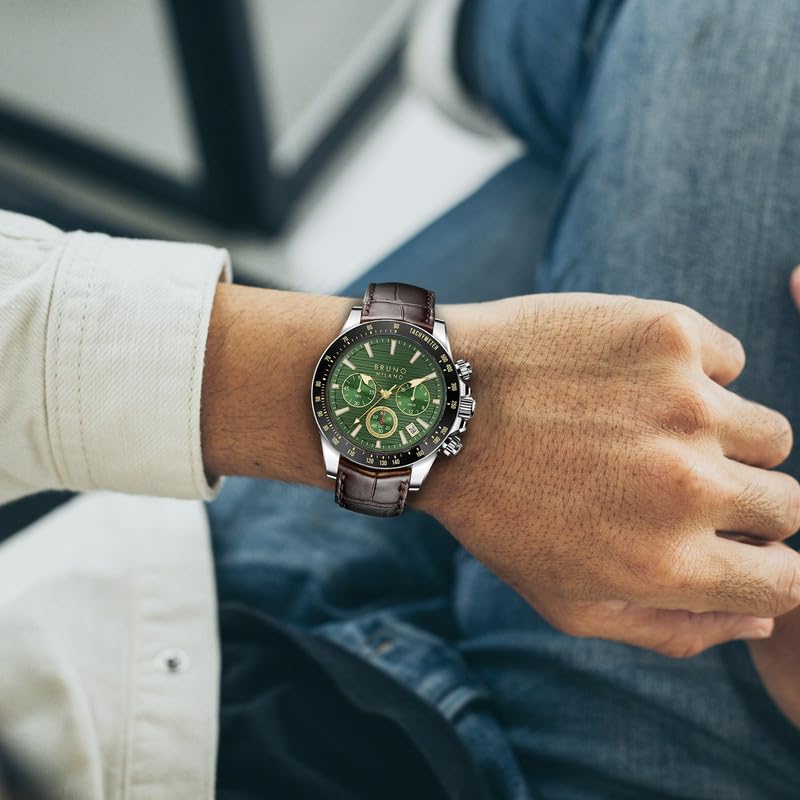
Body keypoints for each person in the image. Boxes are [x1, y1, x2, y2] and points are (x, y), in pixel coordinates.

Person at [1, 0, 800, 797]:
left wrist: (464, 425)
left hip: (153, 610)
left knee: (670, 107)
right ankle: (506, 41)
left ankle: (520, 44)